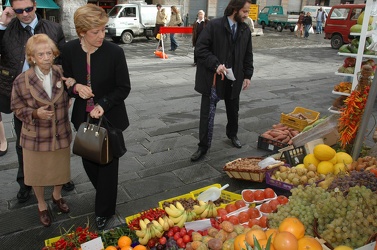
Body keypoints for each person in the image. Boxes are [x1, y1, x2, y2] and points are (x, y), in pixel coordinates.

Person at [61, 4, 131, 230]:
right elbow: (66, 80)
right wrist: (76, 88)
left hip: (109, 118)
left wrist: (103, 104)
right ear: (81, 32)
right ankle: (106, 196)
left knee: (108, 166)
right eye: (95, 32)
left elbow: (123, 87)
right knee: (89, 161)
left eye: (103, 29)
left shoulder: (115, 52)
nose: (102, 35)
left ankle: (104, 211)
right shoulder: (69, 50)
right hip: (83, 118)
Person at [0, 0, 75, 204]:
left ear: (35, 5)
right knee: (24, 142)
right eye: (18, 10)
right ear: (12, 10)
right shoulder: (6, 28)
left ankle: (60, 178)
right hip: (22, 94)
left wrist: (67, 93)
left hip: (51, 91)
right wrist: (1, 25)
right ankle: (25, 182)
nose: (24, 14)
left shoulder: (54, 28)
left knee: (57, 135)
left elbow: (63, 61)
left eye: (28, 9)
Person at [11, 34, 72, 227]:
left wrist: (73, 86)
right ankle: (41, 204)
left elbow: (78, 88)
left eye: (49, 53)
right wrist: (35, 113)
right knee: (37, 174)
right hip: (35, 137)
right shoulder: (22, 80)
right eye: (41, 54)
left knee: (60, 170)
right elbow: (16, 108)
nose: (46, 57)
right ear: (32, 58)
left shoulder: (62, 72)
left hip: (60, 132)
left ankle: (56, 195)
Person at [190, 0, 253, 162]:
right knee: (207, 114)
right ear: (235, 9)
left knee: (233, 110)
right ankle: (203, 146)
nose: (247, 15)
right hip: (213, 78)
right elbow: (200, 49)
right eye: (245, 12)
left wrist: (247, 75)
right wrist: (216, 64)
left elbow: (248, 55)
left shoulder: (245, 29)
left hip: (234, 78)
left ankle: (232, 134)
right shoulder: (214, 25)